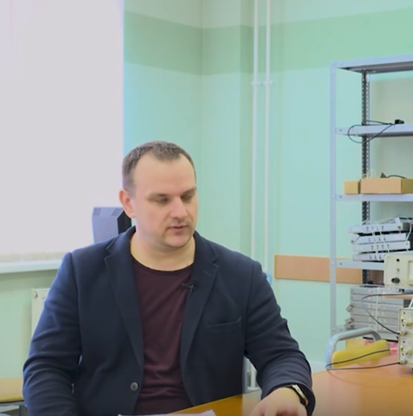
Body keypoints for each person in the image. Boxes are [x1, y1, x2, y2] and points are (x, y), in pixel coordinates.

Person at [23, 141, 315, 416]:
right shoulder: (81, 271)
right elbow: (46, 368)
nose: (180, 212)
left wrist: (287, 391)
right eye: (161, 200)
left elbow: (281, 355)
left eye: (187, 196)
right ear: (128, 203)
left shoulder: (241, 275)